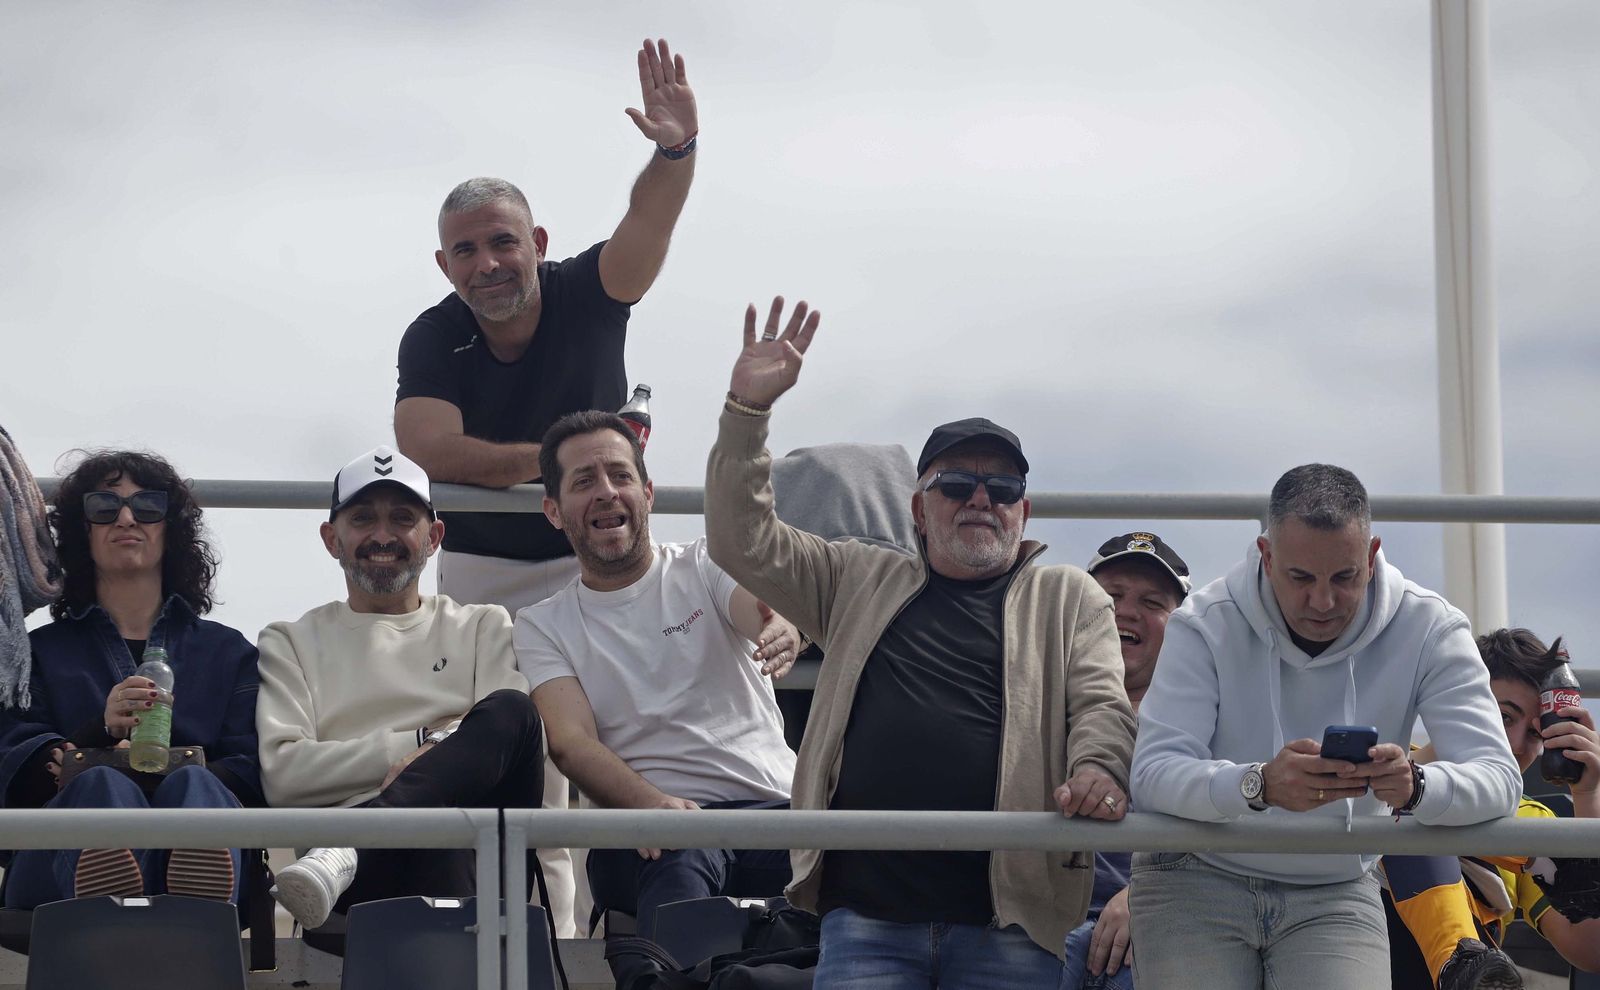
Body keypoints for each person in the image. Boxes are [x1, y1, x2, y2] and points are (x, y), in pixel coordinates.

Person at [703, 298, 1137, 987]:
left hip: (1012, 925)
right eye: (957, 483)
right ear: (917, 508)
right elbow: (739, 538)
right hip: (866, 921)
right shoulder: (853, 576)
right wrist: (746, 413)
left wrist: (1100, 768)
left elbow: (1102, 703)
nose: (980, 498)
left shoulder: (1070, 596)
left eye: (1003, 486)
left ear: (1024, 510)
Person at [393, 38, 699, 935]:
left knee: (631, 740)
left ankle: (634, 925)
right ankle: (557, 941)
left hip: (601, 567)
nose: (488, 262)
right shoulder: (430, 335)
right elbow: (427, 450)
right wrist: (569, 456)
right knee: (523, 759)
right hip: (490, 578)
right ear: (445, 266)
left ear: (539, 244)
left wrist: (675, 149)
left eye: (502, 241)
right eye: (466, 251)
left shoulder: (592, 290)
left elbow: (650, 225)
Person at [1128, 463, 1522, 988]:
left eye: (1344, 577)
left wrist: (1417, 787)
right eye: (1300, 578)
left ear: (1372, 555)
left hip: (1337, 887)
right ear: (1266, 557)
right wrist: (1259, 785)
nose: (1322, 601)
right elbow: (1151, 774)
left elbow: (1500, 779)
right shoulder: (1204, 621)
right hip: (1195, 874)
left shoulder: (1431, 627)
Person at [512, 410, 800, 938]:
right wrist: (650, 805)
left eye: (621, 476)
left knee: (864, 854)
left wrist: (780, 622)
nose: (606, 492)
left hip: (776, 813)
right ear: (553, 510)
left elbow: (758, 608)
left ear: (648, 492)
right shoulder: (542, 624)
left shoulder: (705, 562)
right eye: (584, 481)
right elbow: (571, 743)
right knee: (680, 860)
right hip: (651, 835)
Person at [255, 445, 544, 930]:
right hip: (361, 888)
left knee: (514, 711)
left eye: (402, 518)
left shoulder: (482, 625)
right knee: (437, 842)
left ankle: (353, 843)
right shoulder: (290, 640)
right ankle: (357, 845)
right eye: (363, 518)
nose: (383, 536)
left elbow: (510, 742)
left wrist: (426, 751)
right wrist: (419, 741)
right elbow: (283, 776)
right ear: (332, 538)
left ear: (434, 537)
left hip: (469, 853)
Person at [0, 450, 261, 907]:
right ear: (83, 531)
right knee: (102, 787)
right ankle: (117, 893)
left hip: (208, 848)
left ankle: (177, 888)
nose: (125, 518)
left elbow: (253, 772)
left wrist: (162, 769)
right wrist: (96, 737)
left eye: (147, 507)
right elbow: (13, 774)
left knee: (195, 788)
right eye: (104, 507)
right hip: (54, 875)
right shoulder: (37, 654)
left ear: (171, 529)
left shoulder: (228, 651)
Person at [1385, 628, 1600, 989]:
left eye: (1536, 734)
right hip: (1354, 956)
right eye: (1502, 717)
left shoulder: (1530, 819)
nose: (1515, 745)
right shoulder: (1380, 766)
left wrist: (1588, 794)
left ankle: (1468, 965)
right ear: (1456, 702)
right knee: (1397, 809)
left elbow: (1592, 951)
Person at [1061, 532, 1191, 990]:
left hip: (1150, 936)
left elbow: (1237, 843)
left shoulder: (1208, 724)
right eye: (1110, 595)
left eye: (1152, 602)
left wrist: (1146, 897)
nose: (1127, 611)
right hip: (1036, 926)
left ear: (1183, 627)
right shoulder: (1030, 701)